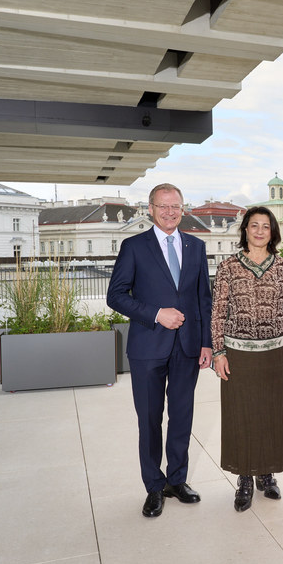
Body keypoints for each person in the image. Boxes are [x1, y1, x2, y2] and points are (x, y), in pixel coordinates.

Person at [107, 183, 212, 517]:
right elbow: (116, 295)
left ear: (183, 209)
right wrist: (156, 313)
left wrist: (207, 341)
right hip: (148, 347)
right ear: (150, 208)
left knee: (182, 417)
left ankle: (176, 481)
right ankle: (154, 486)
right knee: (150, 420)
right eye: (163, 206)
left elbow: (203, 299)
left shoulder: (196, 246)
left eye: (176, 206)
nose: (170, 212)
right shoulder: (134, 246)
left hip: (188, 347)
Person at [211, 207, 283, 512]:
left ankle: (267, 473)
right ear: (245, 230)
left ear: (273, 232)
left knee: (274, 415)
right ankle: (245, 478)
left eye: (265, 226)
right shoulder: (227, 267)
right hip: (239, 354)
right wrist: (218, 352)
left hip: (278, 353)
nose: (260, 231)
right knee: (243, 414)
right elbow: (219, 311)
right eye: (254, 226)